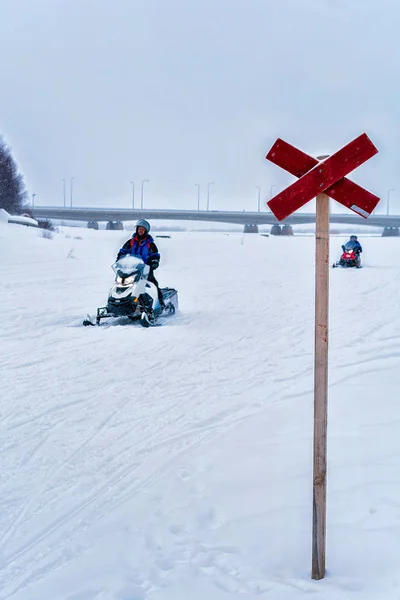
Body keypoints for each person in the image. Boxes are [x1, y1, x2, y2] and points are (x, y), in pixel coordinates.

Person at [117, 219, 164, 307]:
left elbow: (155, 255)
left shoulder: (150, 243)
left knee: (152, 284)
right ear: (136, 229)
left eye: (142, 229)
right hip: (131, 268)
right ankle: (119, 303)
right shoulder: (130, 242)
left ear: (146, 231)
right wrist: (119, 260)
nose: (140, 231)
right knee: (122, 284)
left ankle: (161, 303)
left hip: (145, 269)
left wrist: (154, 262)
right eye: (139, 229)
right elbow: (123, 251)